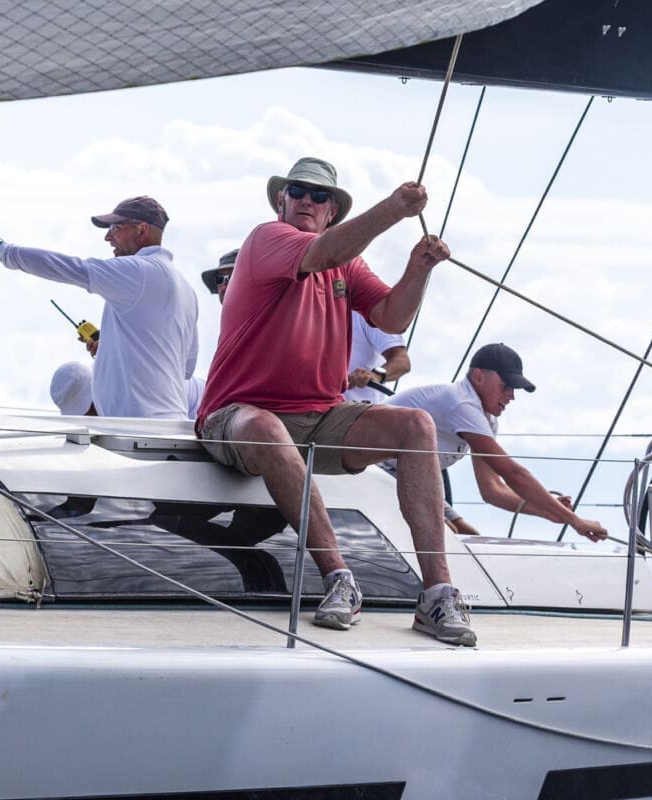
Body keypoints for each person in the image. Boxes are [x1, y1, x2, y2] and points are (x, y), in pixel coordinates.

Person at [196, 156, 475, 645]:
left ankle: (437, 594)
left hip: (319, 416)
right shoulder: (267, 238)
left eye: (320, 195)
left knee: (417, 425)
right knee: (266, 427)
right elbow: (321, 254)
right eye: (298, 191)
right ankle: (339, 578)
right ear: (281, 201)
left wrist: (418, 269)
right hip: (237, 415)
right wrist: (395, 208)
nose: (307, 200)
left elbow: (391, 318)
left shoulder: (348, 263)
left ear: (332, 211)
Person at [0, 196, 199, 419]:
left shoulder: (138, 271)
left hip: (135, 430)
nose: (108, 237)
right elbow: (185, 369)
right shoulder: (186, 290)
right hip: (168, 427)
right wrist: (113, 348)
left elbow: (66, 267)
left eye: (115, 228)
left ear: (142, 230)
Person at [383, 343, 608, 542]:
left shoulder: (486, 420)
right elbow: (513, 474)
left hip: (409, 476)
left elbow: (492, 489)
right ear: (478, 376)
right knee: (448, 535)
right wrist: (575, 520)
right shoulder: (462, 403)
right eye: (505, 386)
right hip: (377, 469)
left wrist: (547, 510)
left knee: (471, 539)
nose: (512, 396)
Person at [345, 311, 411, 402]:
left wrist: (376, 375)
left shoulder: (368, 313)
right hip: (326, 404)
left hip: (358, 407)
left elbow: (402, 361)